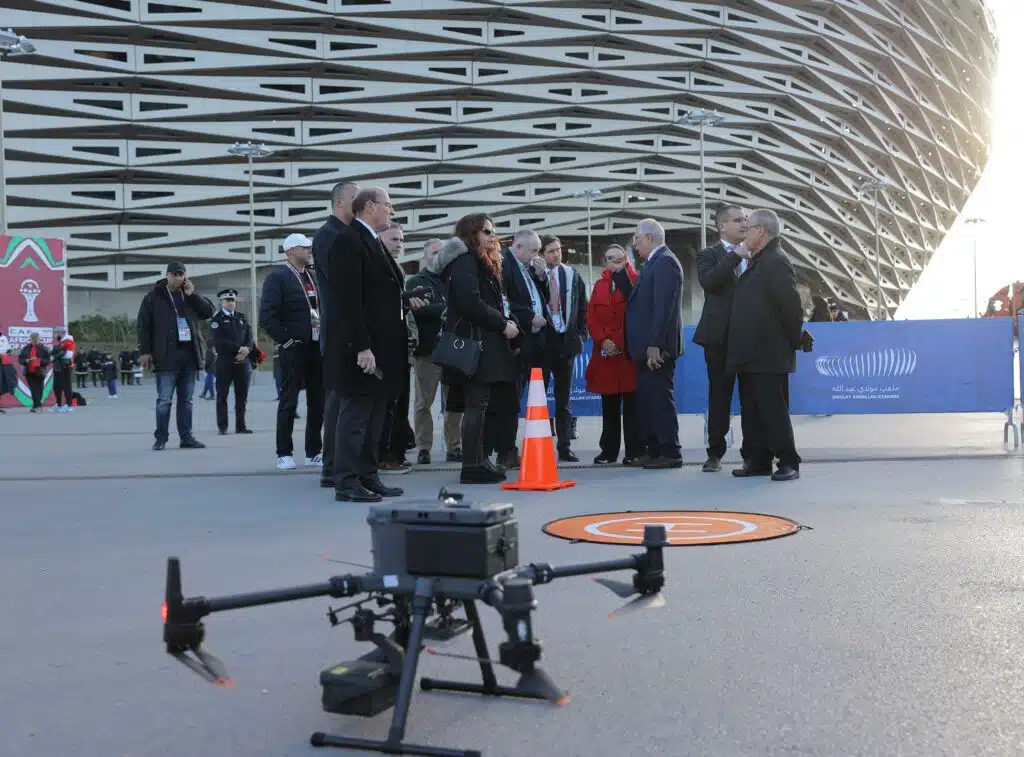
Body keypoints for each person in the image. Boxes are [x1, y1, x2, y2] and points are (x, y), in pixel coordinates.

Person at [324, 187, 416, 502]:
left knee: (375, 416)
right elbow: (348, 301)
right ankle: (346, 482)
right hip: (362, 350)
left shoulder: (372, 240)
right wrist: (362, 347)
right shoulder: (349, 241)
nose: (391, 212)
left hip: (383, 347)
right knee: (355, 416)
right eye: (388, 206)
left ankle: (367, 474)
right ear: (371, 207)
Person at [435, 213, 521, 485]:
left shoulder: (477, 260)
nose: (492, 236)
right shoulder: (465, 261)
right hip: (478, 343)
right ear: (472, 233)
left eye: (493, 231)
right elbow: (471, 303)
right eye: (486, 231)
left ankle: (478, 460)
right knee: (476, 405)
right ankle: (472, 464)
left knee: (480, 405)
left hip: (485, 342)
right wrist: (502, 323)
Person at [726, 208, 806, 482]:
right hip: (751, 353)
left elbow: (791, 306)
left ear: (761, 231)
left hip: (769, 352)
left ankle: (788, 461)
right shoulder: (759, 260)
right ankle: (758, 460)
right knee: (752, 409)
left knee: (773, 409)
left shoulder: (775, 261)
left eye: (747, 227)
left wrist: (793, 340)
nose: (743, 232)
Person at [260, 233, 325, 470]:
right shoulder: (277, 277)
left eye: (310, 247)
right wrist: (286, 341)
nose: (310, 251)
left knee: (318, 400)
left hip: (317, 346)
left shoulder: (313, 276)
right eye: (305, 247)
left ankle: (313, 452)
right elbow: (267, 317)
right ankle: (284, 452)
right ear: (290, 251)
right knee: (289, 400)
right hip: (294, 348)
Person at [624, 218, 684, 469]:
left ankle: (670, 452)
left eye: (636, 239)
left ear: (649, 238)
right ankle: (656, 449)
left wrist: (654, 344)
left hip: (656, 349)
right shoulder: (653, 263)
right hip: (647, 347)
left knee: (659, 400)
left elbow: (663, 308)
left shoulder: (666, 262)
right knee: (649, 401)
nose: (634, 245)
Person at [693, 204, 748, 472]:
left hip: (750, 337)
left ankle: (754, 451)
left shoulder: (757, 255)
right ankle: (715, 452)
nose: (744, 224)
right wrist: (735, 256)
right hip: (719, 338)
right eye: (738, 220)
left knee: (753, 395)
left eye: (746, 219)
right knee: (720, 395)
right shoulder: (708, 255)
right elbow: (710, 282)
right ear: (722, 226)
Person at [137, 261, 215, 449]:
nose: (178, 278)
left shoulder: (189, 295)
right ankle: (161, 438)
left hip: (189, 355)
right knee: (164, 400)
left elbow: (209, 312)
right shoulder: (153, 297)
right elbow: (143, 326)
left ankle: (186, 437)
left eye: (181, 275)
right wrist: (145, 352)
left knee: (186, 400)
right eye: (175, 275)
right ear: (167, 275)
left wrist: (193, 295)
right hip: (166, 355)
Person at [316, 181, 360, 487]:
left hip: (344, 327)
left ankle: (337, 465)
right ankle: (331, 467)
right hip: (338, 331)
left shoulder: (343, 234)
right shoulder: (330, 236)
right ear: (341, 202)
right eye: (357, 199)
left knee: (343, 399)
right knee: (338, 400)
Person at [406, 238, 463, 465]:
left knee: (454, 402)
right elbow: (416, 308)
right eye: (434, 253)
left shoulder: (454, 278)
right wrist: (446, 309)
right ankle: (424, 447)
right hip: (427, 350)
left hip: (453, 349)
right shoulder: (417, 281)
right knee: (423, 402)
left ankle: (454, 446)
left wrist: (437, 309)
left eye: (443, 253)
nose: (439, 257)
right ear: (425, 256)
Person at [585, 244, 642, 465]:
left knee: (632, 407)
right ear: (604, 261)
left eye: (619, 259)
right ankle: (607, 451)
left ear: (626, 259)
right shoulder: (599, 285)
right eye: (610, 258)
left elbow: (635, 316)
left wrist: (617, 341)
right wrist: (604, 341)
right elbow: (591, 318)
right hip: (605, 356)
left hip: (626, 354)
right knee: (608, 407)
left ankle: (634, 451)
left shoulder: (636, 282)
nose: (615, 262)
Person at [538, 234, 588, 462]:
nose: (556, 254)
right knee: (538, 397)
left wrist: (581, 333)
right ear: (541, 254)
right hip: (542, 343)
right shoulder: (534, 275)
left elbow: (582, 308)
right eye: (551, 251)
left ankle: (565, 446)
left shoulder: (571, 275)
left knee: (564, 399)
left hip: (566, 343)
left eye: (558, 250)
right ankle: (537, 444)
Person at [211, 288, 255, 435]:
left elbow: (250, 338)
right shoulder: (216, 320)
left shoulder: (241, 318)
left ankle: (240, 426)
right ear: (222, 302)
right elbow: (219, 342)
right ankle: (222, 426)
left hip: (242, 362)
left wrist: (246, 350)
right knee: (222, 395)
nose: (231, 303)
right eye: (228, 300)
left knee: (241, 395)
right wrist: (239, 349)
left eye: (233, 300)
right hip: (225, 362)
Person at [18, 332, 51, 412]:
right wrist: (26, 360)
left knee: (39, 389)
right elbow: (20, 359)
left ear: (39, 339)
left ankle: (37, 406)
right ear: (30, 339)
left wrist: (40, 361)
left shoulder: (43, 348)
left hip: (39, 371)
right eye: (33, 339)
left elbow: (48, 360)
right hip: (29, 372)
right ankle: (36, 406)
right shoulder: (26, 348)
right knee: (33, 389)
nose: (34, 341)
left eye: (36, 339)